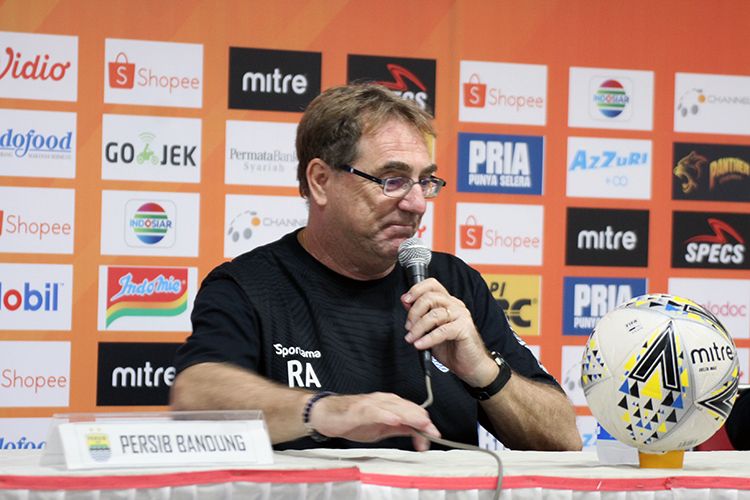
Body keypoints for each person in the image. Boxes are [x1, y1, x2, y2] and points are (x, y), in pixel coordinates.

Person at [170, 83, 582, 452]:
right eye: (393, 179)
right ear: (320, 181)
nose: (417, 203)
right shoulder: (249, 285)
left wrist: (484, 372)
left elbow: (564, 439)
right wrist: (325, 411)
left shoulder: (454, 283)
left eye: (425, 181)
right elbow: (194, 395)